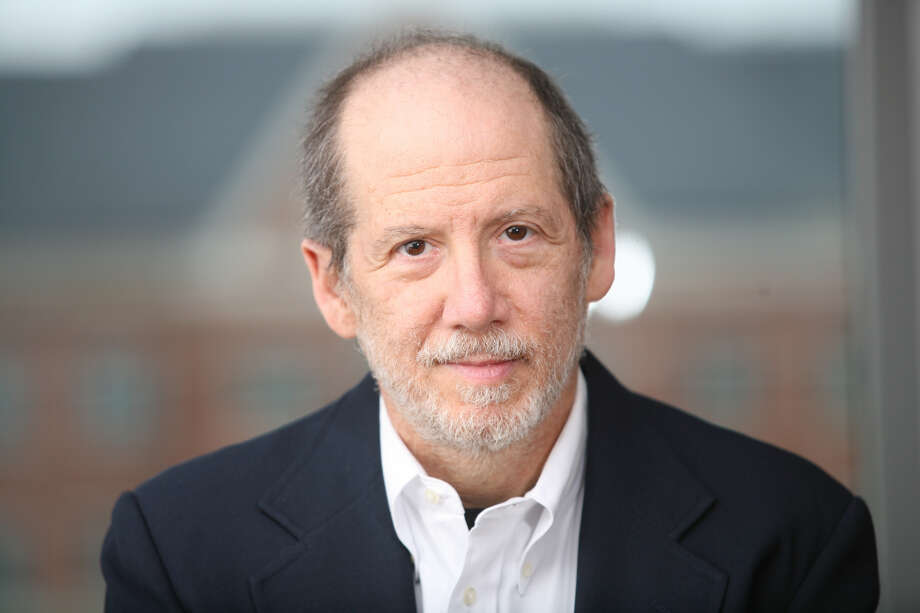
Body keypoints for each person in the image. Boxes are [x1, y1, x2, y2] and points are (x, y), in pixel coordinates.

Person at [101, 30, 879, 612]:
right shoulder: (178, 554)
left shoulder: (795, 539)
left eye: (516, 233)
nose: (474, 304)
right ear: (333, 286)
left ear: (596, 248)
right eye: (414, 247)